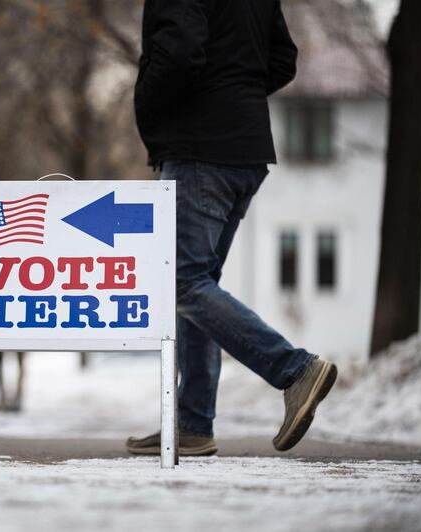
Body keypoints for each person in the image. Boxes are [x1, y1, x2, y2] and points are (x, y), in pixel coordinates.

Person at [126, 0, 338, 456]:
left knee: (182, 283)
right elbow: (283, 59)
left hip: (200, 150)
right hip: (245, 150)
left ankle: (295, 370)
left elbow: (180, 54)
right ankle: (193, 424)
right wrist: (236, 95)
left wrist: (146, 105)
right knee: (199, 284)